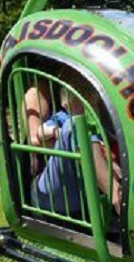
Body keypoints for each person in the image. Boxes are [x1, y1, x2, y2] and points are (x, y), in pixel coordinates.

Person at [32, 91, 120, 220]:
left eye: (94, 104)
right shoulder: (63, 117)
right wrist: (56, 131)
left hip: (81, 191)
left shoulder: (98, 125)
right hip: (52, 191)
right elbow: (40, 132)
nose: (93, 108)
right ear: (66, 104)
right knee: (77, 124)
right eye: (87, 103)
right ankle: (117, 197)